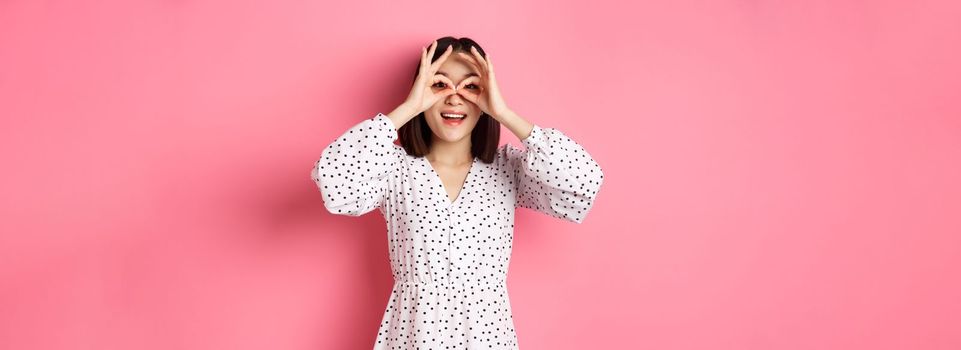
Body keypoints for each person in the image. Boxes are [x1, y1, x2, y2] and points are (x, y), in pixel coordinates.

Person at [311, 36, 604, 349]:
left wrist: (504, 112)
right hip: (414, 336)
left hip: (487, 338)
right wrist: (408, 108)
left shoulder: (509, 169)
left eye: (471, 87)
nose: (454, 98)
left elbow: (584, 181)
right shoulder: (394, 169)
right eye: (439, 85)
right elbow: (334, 183)